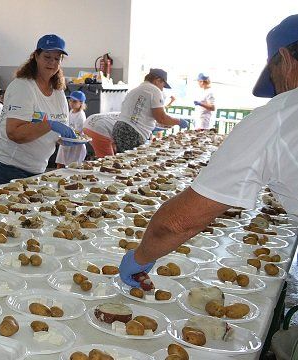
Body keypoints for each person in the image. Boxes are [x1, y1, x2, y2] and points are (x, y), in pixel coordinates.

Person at [118, 14, 298, 287]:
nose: (276, 88)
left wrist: (141, 256)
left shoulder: (279, 116)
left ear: (284, 58)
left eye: (272, 74)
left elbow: (179, 221)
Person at [0, 34, 77, 186]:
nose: (52, 62)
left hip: (37, 167)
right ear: (36, 56)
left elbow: (57, 130)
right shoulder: (23, 87)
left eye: (57, 59)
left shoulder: (58, 91)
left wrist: (65, 138)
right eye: (47, 57)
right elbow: (14, 133)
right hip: (10, 165)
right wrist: (49, 125)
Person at [112, 68, 190, 153]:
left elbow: (141, 113)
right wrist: (178, 121)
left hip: (119, 128)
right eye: (163, 85)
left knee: (124, 158)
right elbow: (161, 118)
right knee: (133, 159)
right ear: (157, 80)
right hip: (132, 132)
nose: (162, 89)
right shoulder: (154, 90)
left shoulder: (135, 90)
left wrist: (152, 126)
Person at [55, 91, 88, 166]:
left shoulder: (81, 115)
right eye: (70, 100)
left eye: (74, 101)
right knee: (60, 163)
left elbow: (77, 132)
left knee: (72, 166)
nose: (71, 103)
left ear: (81, 103)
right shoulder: (71, 111)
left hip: (75, 144)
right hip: (66, 140)